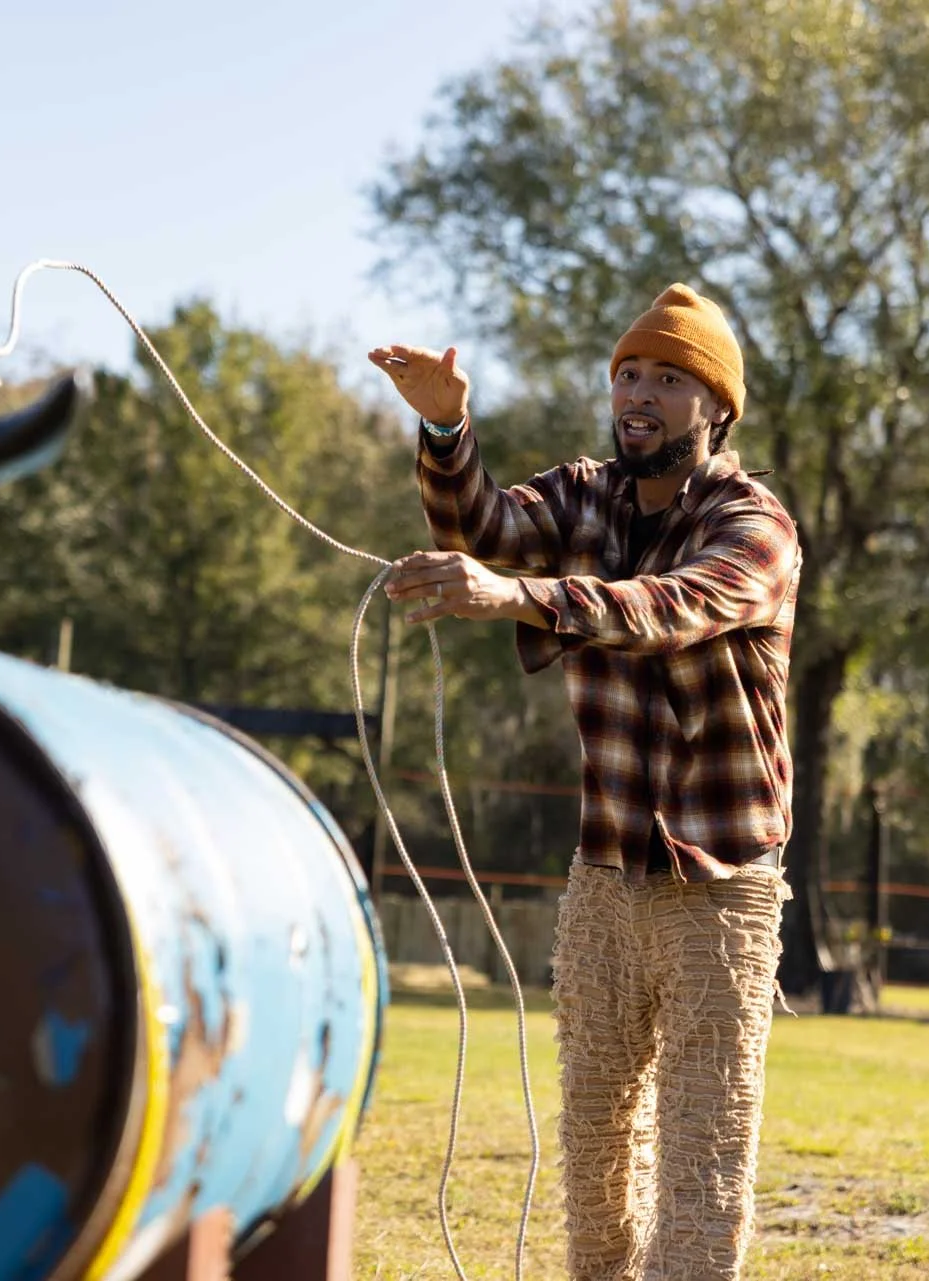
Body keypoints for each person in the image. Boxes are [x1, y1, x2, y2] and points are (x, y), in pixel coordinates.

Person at [368, 284, 801, 1280]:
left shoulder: (755, 524)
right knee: (597, 1153)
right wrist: (445, 426)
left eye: (668, 377)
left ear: (716, 408)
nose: (638, 393)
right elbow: (476, 530)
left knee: (702, 1156)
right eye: (628, 374)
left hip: (722, 885)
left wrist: (518, 595)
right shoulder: (580, 496)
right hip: (603, 875)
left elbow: (669, 607)